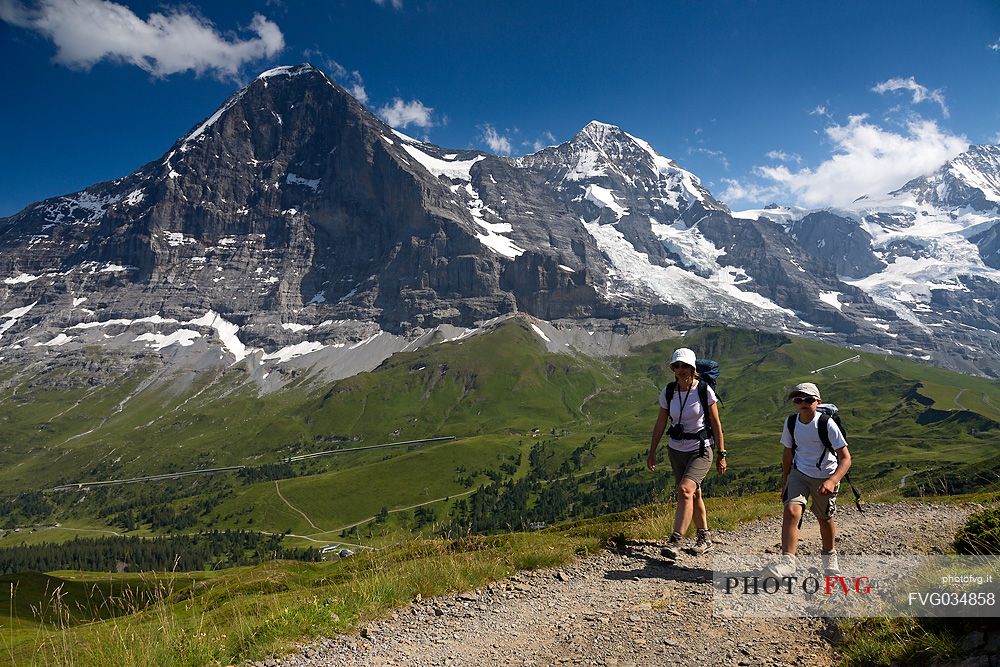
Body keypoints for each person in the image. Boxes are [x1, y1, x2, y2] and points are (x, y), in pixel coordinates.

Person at [647, 347, 726, 558]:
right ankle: (704, 537)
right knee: (694, 493)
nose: (680, 370)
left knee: (684, 490)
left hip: (700, 449)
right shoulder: (669, 391)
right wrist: (652, 451)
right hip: (676, 449)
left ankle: (676, 540)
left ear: (693, 368)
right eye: (677, 366)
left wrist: (721, 453)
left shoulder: (704, 391)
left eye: (685, 366)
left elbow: (717, 424)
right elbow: (660, 423)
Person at [770, 382, 852, 577]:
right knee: (791, 510)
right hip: (799, 473)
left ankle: (829, 554)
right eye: (798, 400)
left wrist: (832, 481)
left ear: (818, 402)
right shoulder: (791, 422)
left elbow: (846, 458)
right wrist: (786, 480)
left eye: (808, 399)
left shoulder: (826, 424)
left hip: (826, 475)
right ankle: (788, 562)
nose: (803, 403)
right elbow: (788, 452)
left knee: (825, 518)